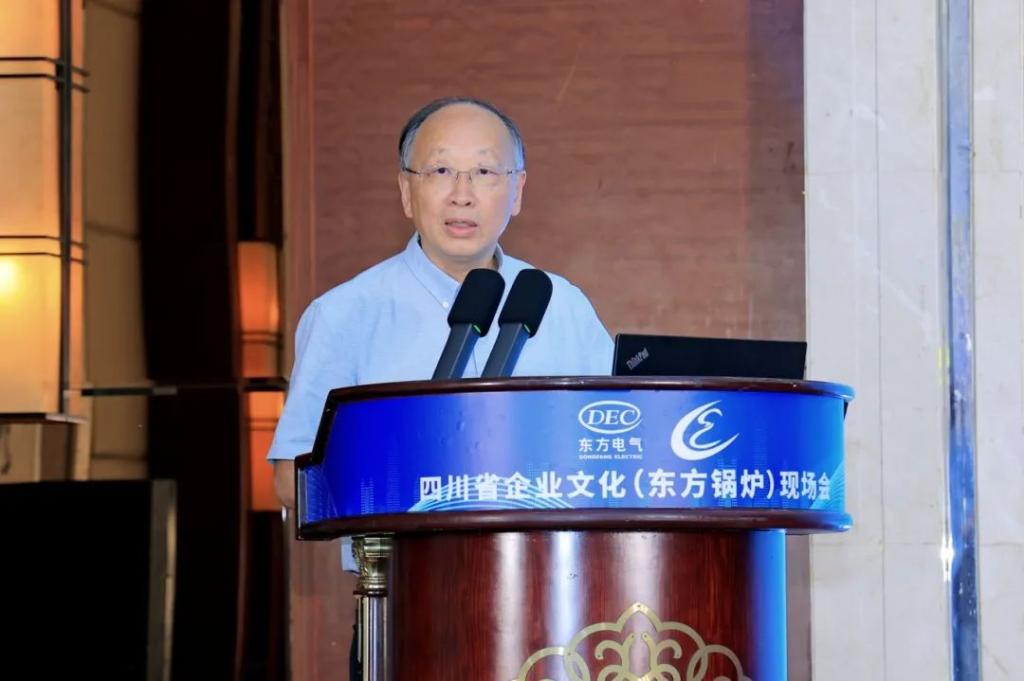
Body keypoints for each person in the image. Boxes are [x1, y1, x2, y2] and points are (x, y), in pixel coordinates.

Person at [268, 96, 613, 500]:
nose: (461, 195)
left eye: (484, 171)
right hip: (401, 541)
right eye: (441, 170)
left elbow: (623, 444)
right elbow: (293, 481)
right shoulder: (343, 315)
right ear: (406, 190)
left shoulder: (563, 306)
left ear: (517, 190)